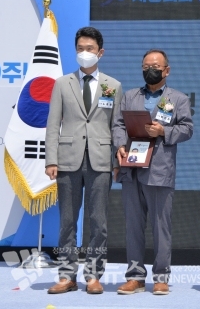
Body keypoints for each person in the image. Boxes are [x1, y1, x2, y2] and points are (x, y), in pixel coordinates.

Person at [45, 26, 122, 294]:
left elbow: (116, 126)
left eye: (89, 49)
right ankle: (67, 275)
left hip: (100, 160)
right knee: (67, 221)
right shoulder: (62, 83)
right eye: (80, 49)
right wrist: (51, 159)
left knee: (98, 221)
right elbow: (53, 124)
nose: (84, 53)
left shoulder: (113, 86)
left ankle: (93, 275)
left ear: (100, 52)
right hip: (67, 159)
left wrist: (116, 161)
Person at [112, 49, 193, 295]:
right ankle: (135, 276)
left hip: (159, 169)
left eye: (155, 67)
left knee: (161, 227)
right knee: (133, 226)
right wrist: (119, 146)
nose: (150, 70)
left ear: (167, 70)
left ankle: (161, 277)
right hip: (132, 168)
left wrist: (163, 132)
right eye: (146, 66)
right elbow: (118, 125)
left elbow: (187, 129)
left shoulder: (178, 99)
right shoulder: (129, 96)